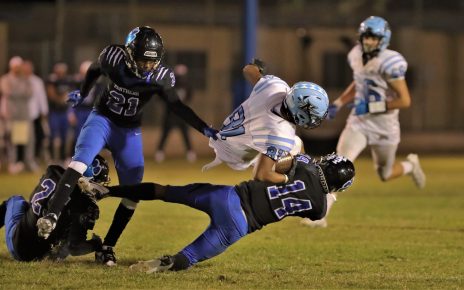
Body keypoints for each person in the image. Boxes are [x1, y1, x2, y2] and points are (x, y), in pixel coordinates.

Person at [36, 26, 218, 266]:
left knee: (133, 190)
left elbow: (177, 106)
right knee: (80, 162)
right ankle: (52, 214)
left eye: (151, 63)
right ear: (130, 54)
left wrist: (203, 127)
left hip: (128, 131)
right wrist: (83, 93)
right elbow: (94, 70)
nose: (147, 68)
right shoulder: (113, 57)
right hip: (102, 119)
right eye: (142, 61)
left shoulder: (161, 76)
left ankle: (108, 246)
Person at [78, 152, 355, 272]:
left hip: (228, 198)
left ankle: (108, 192)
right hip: (238, 227)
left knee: (165, 191)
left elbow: (273, 171)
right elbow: (309, 197)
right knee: (188, 258)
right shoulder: (319, 210)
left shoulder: (307, 167)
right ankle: (163, 264)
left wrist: (294, 160)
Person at [301, 16, 426, 228]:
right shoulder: (356, 55)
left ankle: (410, 165)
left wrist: (370, 106)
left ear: (383, 39)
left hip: (385, 127)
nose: (368, 42)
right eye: (366, 37)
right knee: (337, 163)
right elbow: (359, 81)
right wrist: (340, 102)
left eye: (373, 38)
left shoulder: (390, 62)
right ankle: (321, 216)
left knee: (385, 174)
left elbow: (404, 100)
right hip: (359, 122)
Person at [203, 58, 329, 184]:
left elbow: (248, 70)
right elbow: (261, 175)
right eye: (313, 115)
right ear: (301, 114)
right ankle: (289, 190)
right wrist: (291, 180)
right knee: (292, 155)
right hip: (235, 154)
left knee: (296, 146)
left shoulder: (277, 87)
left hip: (227, 135)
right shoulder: (282, 133)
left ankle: (301, 173)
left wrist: (256, 67)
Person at [0, 155, 109, 261]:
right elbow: (75, 248)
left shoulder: (53, 172)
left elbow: (32, 201)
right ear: (88, 179)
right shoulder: (87, 206)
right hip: (42, 255)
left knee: (16, 201)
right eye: (98, 182)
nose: (99, 187)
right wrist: (96, 244)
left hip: (18, 242)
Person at [154, 64, 196, 163]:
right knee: (165, 134)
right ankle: (159, 152)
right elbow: (160, 97)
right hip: (170, 114)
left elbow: (189, 98)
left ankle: (190, 152)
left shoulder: (187, 86)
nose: (180, 78)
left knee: (185, 134)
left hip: (182, 115)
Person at [0, 56, 32, 174]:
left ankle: (20, 163)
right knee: (9, 140)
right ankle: (11, 163)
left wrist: (15, 91)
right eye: (16, 67)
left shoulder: (25, 79)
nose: (17, 69)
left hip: (22, 114)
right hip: (9, 115)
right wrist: (19, 92)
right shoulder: (5, 79)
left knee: (20, 140)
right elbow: (7, 92)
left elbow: (29, 93)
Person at [23, 59, 49, 169]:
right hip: (22, 115)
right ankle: (22, 160)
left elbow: (41, 97)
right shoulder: (20, 80)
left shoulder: (37, 81)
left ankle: (34, 158)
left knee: (38, 138)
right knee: (22, 138)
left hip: (35, 114)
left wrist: (44, 111)